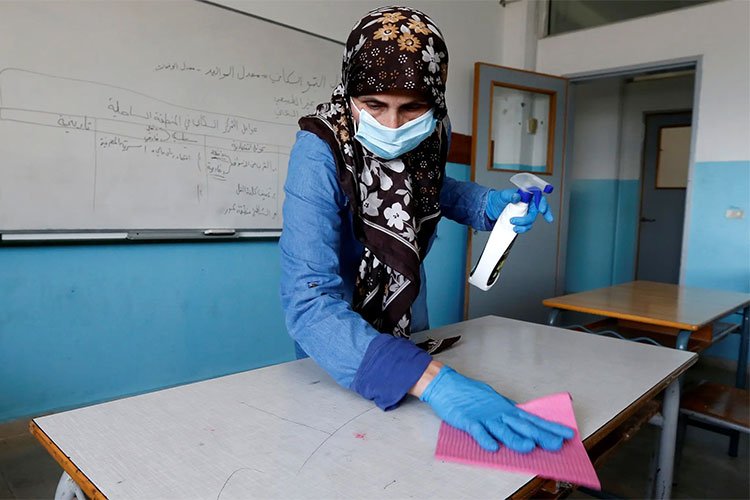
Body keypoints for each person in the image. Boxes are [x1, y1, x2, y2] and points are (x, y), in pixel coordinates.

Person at [280, 6, 573, 453]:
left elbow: (430, 188)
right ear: (350, 91)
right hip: (337, 337)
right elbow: (309, 301)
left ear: (435, 101)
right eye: (373, 105)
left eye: (412, 107)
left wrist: (490, 205)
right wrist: (436, 382)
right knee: (343, 450)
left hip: (406, 308)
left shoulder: (433, 131)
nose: (392, 126)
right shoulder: (318, 151)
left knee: (412, 450)